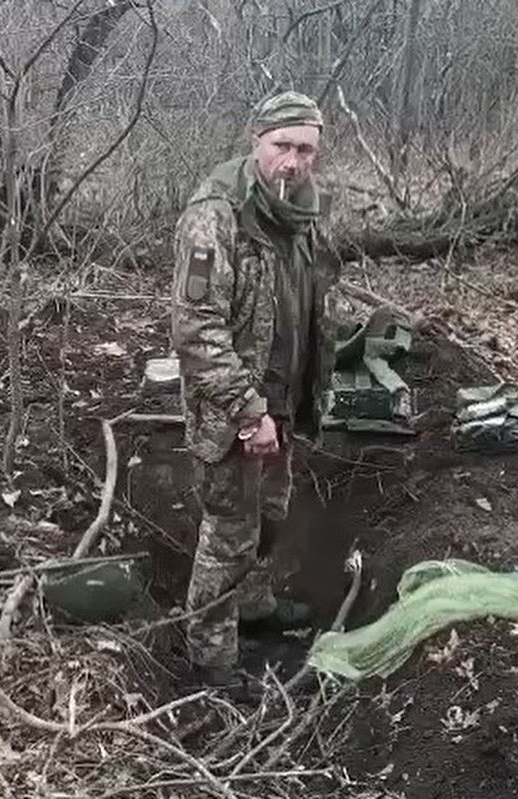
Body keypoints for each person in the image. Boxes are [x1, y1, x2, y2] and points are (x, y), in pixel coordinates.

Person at [171, 91, 350, 683]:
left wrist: (301, 398)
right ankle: (211, 660)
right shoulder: (216, 214)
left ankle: (253, 607)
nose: (293, 162)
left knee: (270, 514)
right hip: (234, 410)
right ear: (256, 142)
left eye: (306, 150)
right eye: (282, 146)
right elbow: (195, 329)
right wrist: (249, 411)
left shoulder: (304, 211)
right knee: (229, 534)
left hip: (285, 402)